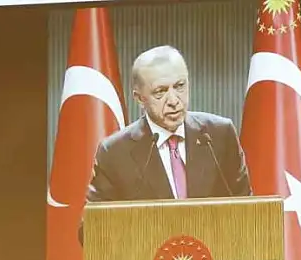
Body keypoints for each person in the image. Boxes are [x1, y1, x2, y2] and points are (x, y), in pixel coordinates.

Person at [85, 45, 252, 205]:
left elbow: (248, 210)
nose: (173, 101)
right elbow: (93, 226)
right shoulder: (115, 153)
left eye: (180, 86)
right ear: (139, 98)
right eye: (160, 91)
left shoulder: (219, 135)